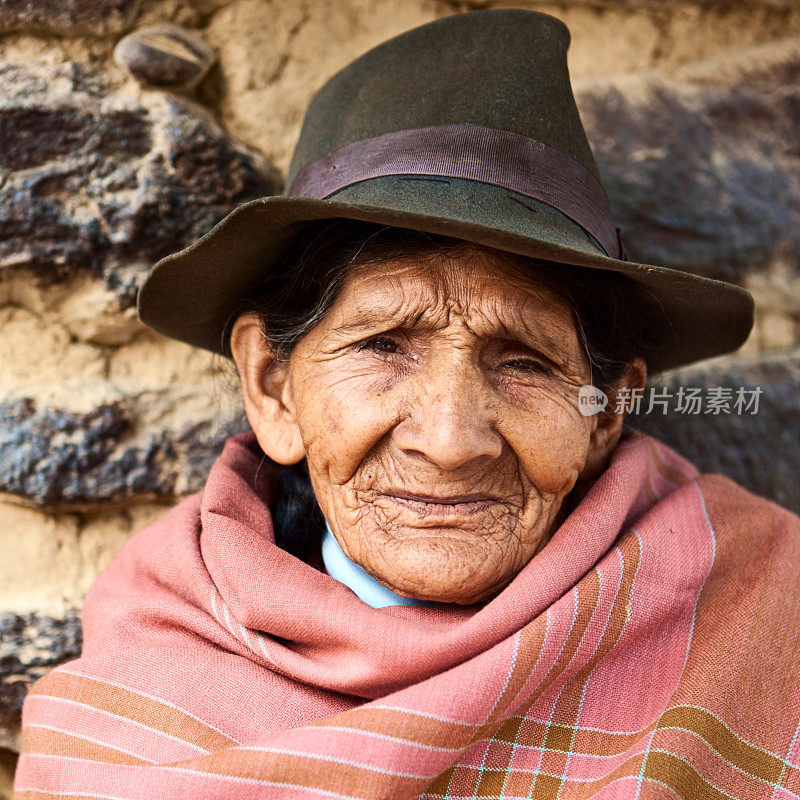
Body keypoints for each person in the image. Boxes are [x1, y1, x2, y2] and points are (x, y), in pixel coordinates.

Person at [14, 9, 800, 800]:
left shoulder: (765, 612)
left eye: (523, 361)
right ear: (273, 388)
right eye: (382, 346)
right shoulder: (144, 684)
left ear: (604, 414)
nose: (451, 441)